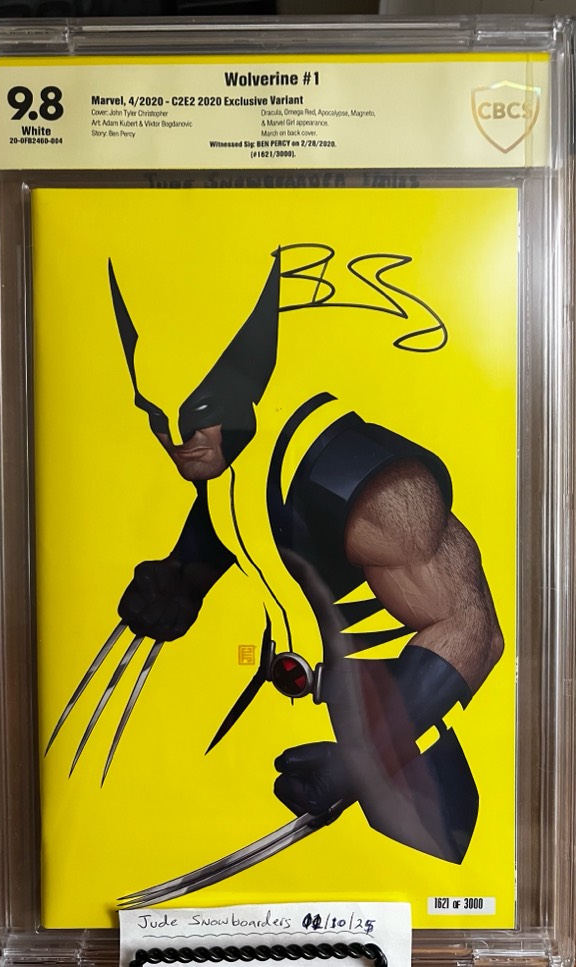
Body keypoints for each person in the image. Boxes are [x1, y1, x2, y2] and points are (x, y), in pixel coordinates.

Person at [56, 249, 504, 867]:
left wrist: (367, 759)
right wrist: (182, 577)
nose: (176, 440)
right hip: (306, 708)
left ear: (243, 386)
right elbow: (241, 515)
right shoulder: (232, 455)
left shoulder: (358, 484)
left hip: (408, 732)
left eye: (196, 415)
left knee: (423, 857)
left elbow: (472, 625)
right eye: (156, 417)